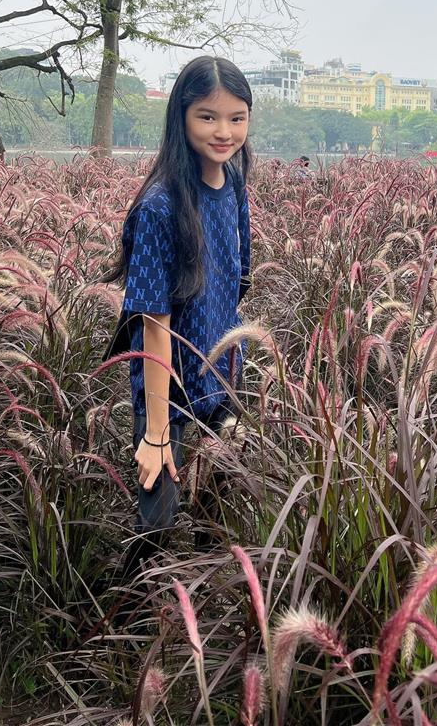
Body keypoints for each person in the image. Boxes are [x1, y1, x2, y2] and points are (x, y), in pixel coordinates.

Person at [102, 55, 252, 574]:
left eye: (237, 117)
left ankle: (203, 630)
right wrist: (157, 432)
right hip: (170, 388)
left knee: (216, 517)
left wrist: (235, 384)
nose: (224, 131)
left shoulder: (233, 189)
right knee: (158, 526)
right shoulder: (160, 207)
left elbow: (237, 289)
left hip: (223, 379)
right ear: (181, 116)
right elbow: (153, 325)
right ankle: (136, 635)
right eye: (208, 116)